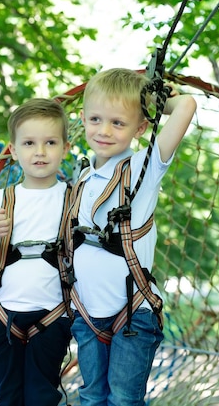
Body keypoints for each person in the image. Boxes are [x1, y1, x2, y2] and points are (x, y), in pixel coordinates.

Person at [65, 68, 197, 406]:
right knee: (91, 396)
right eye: (95, 119)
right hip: (86, 311)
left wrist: (150, 99)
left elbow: (186, 106)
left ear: (140, 128)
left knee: (124, 399)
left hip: (133, 312)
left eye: (118, 123)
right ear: (82, 119)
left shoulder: (144, 167)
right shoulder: (80, 175)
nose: (104, 130)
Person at [0, 98, 73, 406]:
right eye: (29, 143)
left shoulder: (73, 198)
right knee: (8, 396)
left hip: (53, 316)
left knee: (42, 395)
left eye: (50, 142)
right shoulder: (1, 199)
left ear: (65, 148)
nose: (40, 152)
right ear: (14, 151)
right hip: (4, 317)